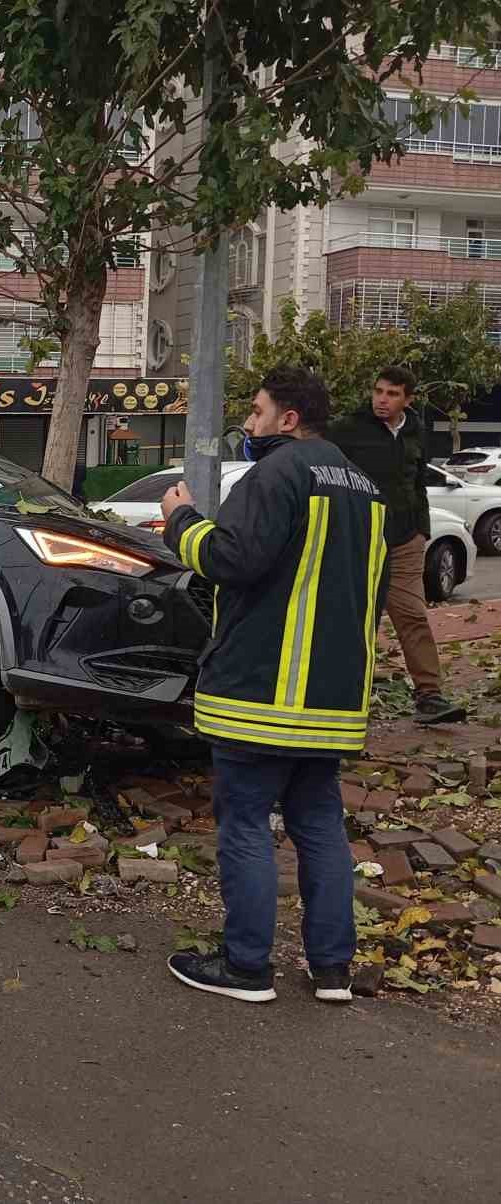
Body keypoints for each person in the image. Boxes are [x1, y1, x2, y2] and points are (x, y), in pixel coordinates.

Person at [160, 367, 387, 1006]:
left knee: (246, 824)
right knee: (319, 826)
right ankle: (332, 970)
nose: (251, 424)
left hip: (260, 694)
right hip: (334, 701)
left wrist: (181, 520)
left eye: (257, 412)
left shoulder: (277, 475)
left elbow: (229, 560)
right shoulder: (367, 490)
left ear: (288, 420)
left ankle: (246, 966)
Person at [328, 366, 463, 725]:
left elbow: (418, 482)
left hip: (405, 540)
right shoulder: (347, 429)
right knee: (359, 621)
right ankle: (347, 698)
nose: (382, 400)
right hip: (360, 541)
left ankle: (430, 696)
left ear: (408, 399)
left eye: (391, 394)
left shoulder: (417, 430)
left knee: (413, 615)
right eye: (378, 391)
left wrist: (422, 528)